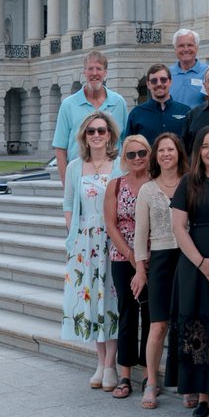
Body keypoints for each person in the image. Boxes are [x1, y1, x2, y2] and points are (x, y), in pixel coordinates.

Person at [169, 126, 209, 417]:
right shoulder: (188, 183)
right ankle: (204, 397)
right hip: (196, 264)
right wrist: (201, 262)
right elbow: (179, 228)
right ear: (198, 152)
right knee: (201, 329)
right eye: (205, 146)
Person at [61, 112, 120, 390]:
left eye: (102, 131)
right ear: (84, 136)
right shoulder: (75, 166)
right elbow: (69, 204)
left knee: (111, 300)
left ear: (110, 135)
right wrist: (73, 238)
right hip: (85, 241)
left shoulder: (119, 165)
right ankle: (100, 361)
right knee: (93, 301)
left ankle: (112, 365)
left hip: (111, 239)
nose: (96, 136)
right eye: (91, 131)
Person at [132, 130, 189, 409]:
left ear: (179, 153)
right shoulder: (147, 189)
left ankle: (188, 383)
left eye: (171, 149)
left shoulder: (191, 184)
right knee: (158, 325)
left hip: (188, 259)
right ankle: (151, 381)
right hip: (161, 262)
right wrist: (140, 270)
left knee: (186, 322)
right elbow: (140, 235)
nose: (167, 154)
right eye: (162, 150)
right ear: (156, 155)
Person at [103, 133, 151, 398]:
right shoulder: (116, 185)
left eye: (142, 153)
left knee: (150, 312)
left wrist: (144, 256)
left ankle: (148, 372)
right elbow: (111, 224)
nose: (137, 159)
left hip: (153, 256)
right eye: (131, 154)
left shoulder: (156, 183)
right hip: (123, 257)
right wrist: (132, 255)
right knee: (127, 311)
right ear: (124, 158)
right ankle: (124, 374)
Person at [52, 51, 130, 180]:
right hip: (79, 176)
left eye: (99, 69)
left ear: (105, 72)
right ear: (84, 72)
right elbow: (60, 148)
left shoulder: (118, 102)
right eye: (90, 69)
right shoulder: (69, 105)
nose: (94, 73)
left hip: (114, 176)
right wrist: (67, 185)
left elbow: (126, 142)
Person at [126, 64, 191, 142]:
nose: (159, 84)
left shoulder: (186, 111)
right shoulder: (136, 114)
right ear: (148, 84)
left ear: (170, 82)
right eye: (154, 81)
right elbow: (129, 146)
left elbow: (192, 146)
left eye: (163, 79)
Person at [169, 29, 209, 108]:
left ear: (197, 47)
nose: (186, 49)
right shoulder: (167, 74)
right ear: (175, 49)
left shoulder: (208, 72)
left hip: (198, 120)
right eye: (181, 46)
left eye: (190, 45)